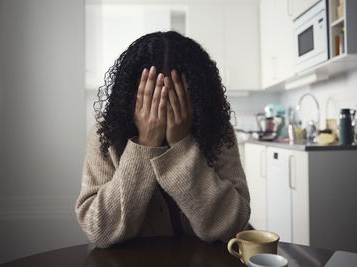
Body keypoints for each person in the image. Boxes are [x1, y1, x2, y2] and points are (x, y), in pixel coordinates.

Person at [75, 31, 250, 248]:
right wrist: (145, 143)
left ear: (196, 93)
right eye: (152, 94)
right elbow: (98, 230)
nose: (163, 105)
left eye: (177, 95)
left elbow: (233, 226)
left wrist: (181, 146)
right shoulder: (105, 135)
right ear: (132, 92)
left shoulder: (218, 131)